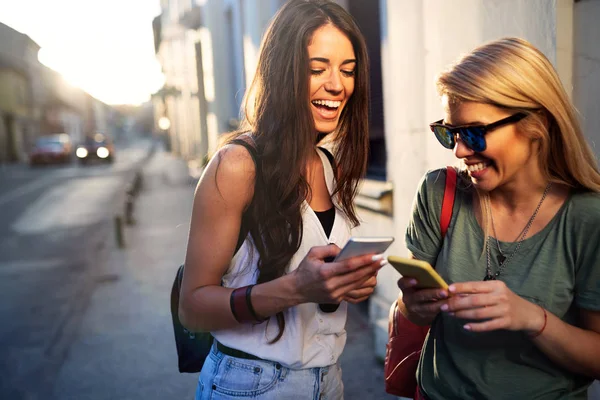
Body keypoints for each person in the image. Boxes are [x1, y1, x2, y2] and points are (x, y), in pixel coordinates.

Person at [179, 1, 383, 399]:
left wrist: (348, 282)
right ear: (282, 71)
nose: (337, 85)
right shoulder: (237, 166)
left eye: (347, 70)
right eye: (317, 68)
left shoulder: (329, 165)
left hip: (328, 380)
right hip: (250, 383)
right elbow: (193, 307)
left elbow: (315, 278)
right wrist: (297, 288)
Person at [399, 37, 600, 399]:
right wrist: (412, 306)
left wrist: (533, 319)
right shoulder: (437, 193)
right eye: (452, 133)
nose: (460, 150)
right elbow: (412, 312)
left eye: (474, 133)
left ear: (536, 124)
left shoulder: (587, 218)